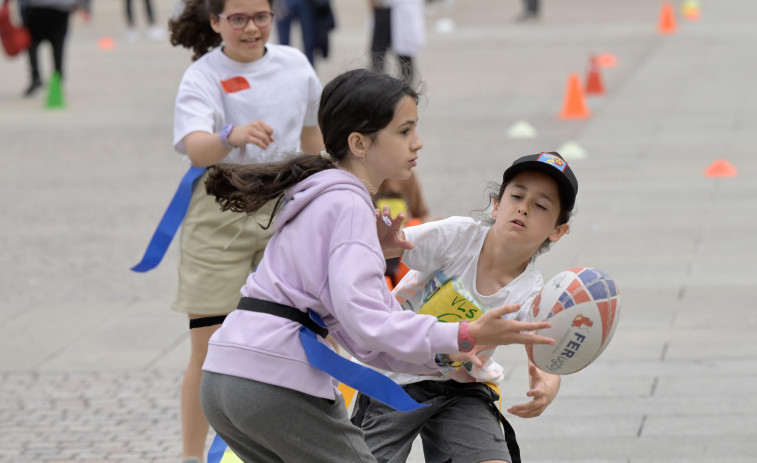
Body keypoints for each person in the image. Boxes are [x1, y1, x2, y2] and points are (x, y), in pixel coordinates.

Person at [199, 69, 557, 462]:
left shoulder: (322, 194)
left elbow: (364, 335)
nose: (417, 142)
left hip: (224, 376)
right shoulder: (350, 205)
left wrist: (441, 351)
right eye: (404, 131)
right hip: (273, 379)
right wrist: (465, 333)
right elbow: (370, 324)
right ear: (359, 143)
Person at [167, 0, 324, 461]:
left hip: (285, 211)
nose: (251, 27)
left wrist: (335, 191)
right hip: (220, 214)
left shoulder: (295, 64)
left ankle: (295, 447)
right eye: (237, 18)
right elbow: (196, 149)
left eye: (261, 16)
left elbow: (313, 137)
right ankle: (192, 457)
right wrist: (229, 136)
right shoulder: (202, 75)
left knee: (301, 337)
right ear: (215, 22)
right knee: (209, 347)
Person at [351, 151, 578, 463]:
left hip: (461, 389)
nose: (524, 208)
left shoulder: (532, 292)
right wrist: (384, 238)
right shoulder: (458, 236)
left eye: (540, 205)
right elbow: (396, 243)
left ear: (557, 230)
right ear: (497, 205)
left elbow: (544, 350)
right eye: (517, 195)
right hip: (393, 375)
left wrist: (547, 386)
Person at [20, 0, 89, 97]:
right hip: (61, 7)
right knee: (58, 45)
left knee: (32, 43)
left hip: (36, 7)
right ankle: (57, 78)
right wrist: (84, 6)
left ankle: (36, 77)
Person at [368, 0, 424, 85]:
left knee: (405, 53)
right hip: (384, 8)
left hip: (405, 9)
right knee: (378, 52)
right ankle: (376, 87)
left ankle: (406, 89)